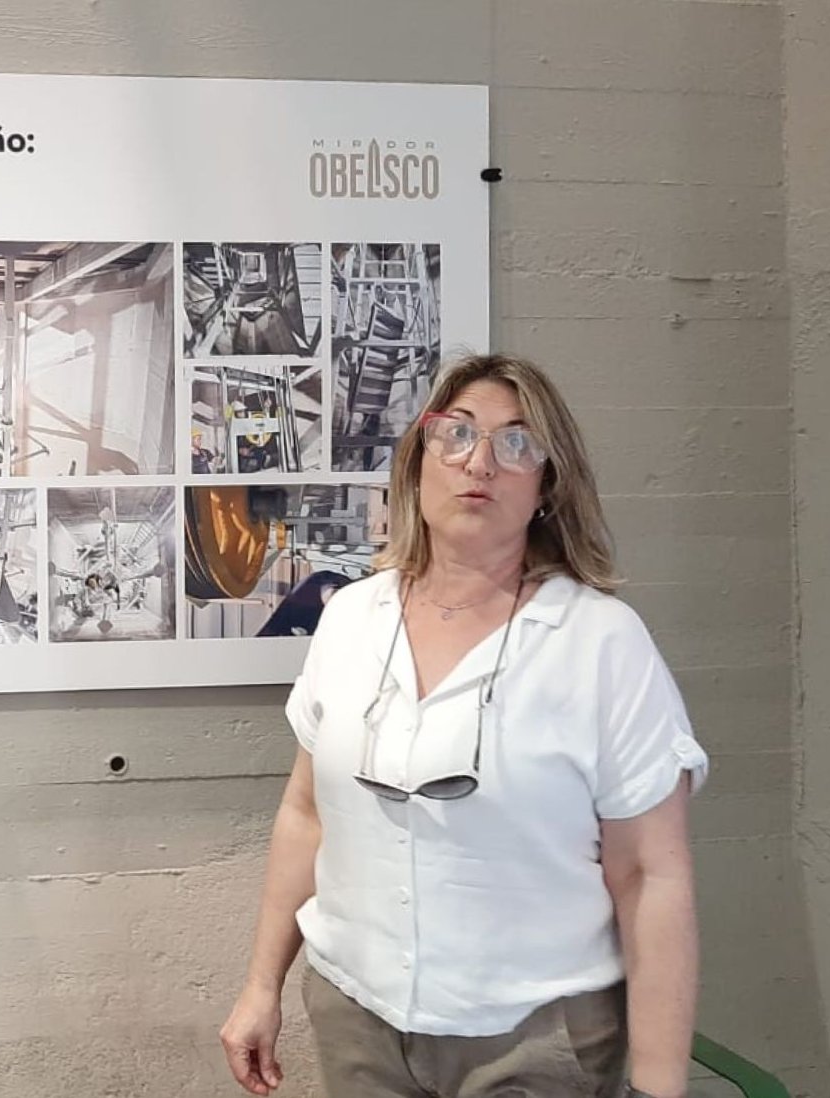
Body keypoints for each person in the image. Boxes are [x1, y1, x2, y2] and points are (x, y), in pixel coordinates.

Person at [220, 353, 707, 1098]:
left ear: (546, 485)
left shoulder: (599, 642)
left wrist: (659, 1088)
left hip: (536, 1038)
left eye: (516, 443)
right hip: (358, 1019)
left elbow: (651, 875)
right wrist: (261, 986)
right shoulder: (352, 617)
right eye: (456, 435)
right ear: (419, 464)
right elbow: (306, 813)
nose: (480, 461)